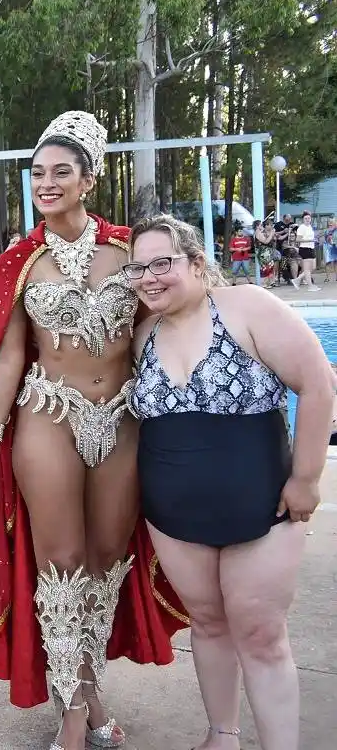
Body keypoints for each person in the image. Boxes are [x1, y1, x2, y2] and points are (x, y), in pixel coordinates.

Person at [0, 111, 186, 750]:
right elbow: (10, 356)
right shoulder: (20, 261)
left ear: (88, 179)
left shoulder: (131, 251)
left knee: (106, 563)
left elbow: (163, 324)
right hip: (48, 418)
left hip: (121, 420)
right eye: (37, 173)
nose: (46, 182)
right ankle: (72, 717)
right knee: (60, 565)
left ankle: (90, 692)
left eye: (61, 171)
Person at [127, 215, 329, 750]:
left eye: (161, 263)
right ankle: (223, 733)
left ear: (195, 262)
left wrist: (306, 479)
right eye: (138, 268)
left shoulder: (247, 307)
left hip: (263, 506)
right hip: (173, 514)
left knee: (261, 634)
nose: (150, 277)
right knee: (209, 623)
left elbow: (317, 382)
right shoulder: (144, 334)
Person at [290, 211, 320, 291]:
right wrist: (311, 240)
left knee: (313, 267)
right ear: (303, 219)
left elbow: (311, 238)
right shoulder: (301, 227)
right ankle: (310, 286)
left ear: (311, 219)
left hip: (311, 248)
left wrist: (314, 240)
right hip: (305, 249)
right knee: (307, 269)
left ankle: (297, 280)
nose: (307, 219)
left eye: (309, 218)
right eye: (305, 218)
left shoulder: (310, 227)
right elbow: (298, 239)